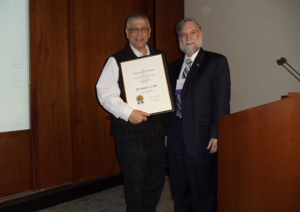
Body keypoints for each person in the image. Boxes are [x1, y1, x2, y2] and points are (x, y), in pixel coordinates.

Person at [96, 12, 168, 212]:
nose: (139, 33)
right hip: (130, 135)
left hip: (156, 134)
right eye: (134, 29)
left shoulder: (159, 57)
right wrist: (128, 112)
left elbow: (165, 94)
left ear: (149, 32)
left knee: (155, 181)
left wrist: (166, 130)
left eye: (143, 28)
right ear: (127, 32)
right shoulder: (115, 60)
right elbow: (105, 94)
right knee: (135, 184)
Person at [167, 18, 231, 212]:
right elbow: (169, 104)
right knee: (179, 189)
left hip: (202, 138)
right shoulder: (173, 67)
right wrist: (166, 133)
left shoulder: (216, 61)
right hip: (176, 137)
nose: (188, 38)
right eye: (183, 34)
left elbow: (221, 101)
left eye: (192, 32)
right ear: (179, 39)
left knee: (204, 192)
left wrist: (217, 133)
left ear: (200, 35)